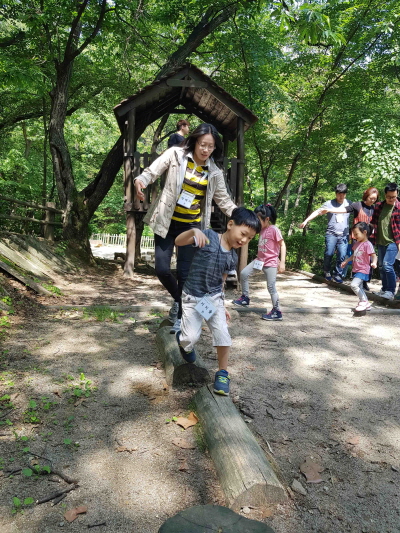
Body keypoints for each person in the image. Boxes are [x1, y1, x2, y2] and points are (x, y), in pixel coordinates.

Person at [134, 123, 236, 332]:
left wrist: (242, 216)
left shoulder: (214, 172)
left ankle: (181, 319)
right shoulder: (175, 155)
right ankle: (182, 301)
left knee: (184, 273)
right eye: (202, 144)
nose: (205, 149)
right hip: (166, 221)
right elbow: (151, 171)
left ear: (215, 148)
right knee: (162, 270)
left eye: (210, 146)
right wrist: (140, 181)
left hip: (192, 228)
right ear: (195, 141)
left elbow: (224, 201)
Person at [174, 207, 261, 396]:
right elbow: (178, 241)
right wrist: (193, 232)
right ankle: (183, 342)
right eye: (243, 233)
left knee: (222, 332)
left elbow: (221, 281)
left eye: (250, 238)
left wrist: (222, 304)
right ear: (231, 224)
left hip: (212, 299)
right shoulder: (208, 237)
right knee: (189, 338)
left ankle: (222, 373)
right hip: (191, 298)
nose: (244, 240)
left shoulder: (232, 256)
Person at [232, 204, 286, 321]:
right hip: (259, 261)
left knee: (271, 287)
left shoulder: (274, 229)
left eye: (258, 219)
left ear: (267, 219)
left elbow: (282, 244)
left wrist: (282, 262)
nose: (256, 221)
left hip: (270, 262)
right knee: (244, 274)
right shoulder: (260, 230)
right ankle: (245, 298)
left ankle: (277, 311)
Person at [319, 187, 379, 289]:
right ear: (366, 196)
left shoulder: (375, 208)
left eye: (375, 199)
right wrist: (329, 210)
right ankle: (354, 279)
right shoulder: (357, 205)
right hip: (358, 237)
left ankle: (364, 282)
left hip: (370, 238)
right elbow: (344, 210)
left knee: (368, 259)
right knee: (357, 258)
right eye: (371, 198)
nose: (372, 200)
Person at [300, 183, 350, 283]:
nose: (341, 196)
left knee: (342, 255)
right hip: (331, 233)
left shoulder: (349, 204)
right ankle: (327, 271)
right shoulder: (329, 203)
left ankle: (337, 274)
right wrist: (306, 221)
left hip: (344, 234)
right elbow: (317, 212)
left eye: (343, 194)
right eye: (339, 194)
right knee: (329, 253)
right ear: (336, 194)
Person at [370, 182, 400, 300]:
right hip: (380, 241)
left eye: (394, 196)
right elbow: (374, 222)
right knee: (382, 266)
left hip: (394, 241)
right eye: (389, 197)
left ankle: (390, 291)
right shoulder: (379, 206)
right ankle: (384, 289)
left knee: (388, 265)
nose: (392, 199)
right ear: (384, 195)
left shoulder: (398, 207)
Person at [340, 222, 377, 312]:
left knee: (354, 285)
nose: (354, 236)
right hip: (356, 269)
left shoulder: (368, 244)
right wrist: (346, 261)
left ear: (364, 232)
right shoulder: (357, 243)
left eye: (356, 234)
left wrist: (374, 263)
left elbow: (373, 255)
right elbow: (354, 254)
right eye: (354, 234)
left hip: (363, 269)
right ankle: (366, 303)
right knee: (359, 287)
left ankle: (363, 301)